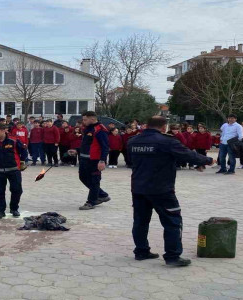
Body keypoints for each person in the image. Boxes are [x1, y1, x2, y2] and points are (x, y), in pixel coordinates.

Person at [127, 116, 214, 267]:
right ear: (163, 127)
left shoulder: (133, 141)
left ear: (147, 125)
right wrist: (208, 160)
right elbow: (188, 155)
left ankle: (141, 251)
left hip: (139, 188)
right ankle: (173, 256)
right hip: (162, 189)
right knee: (173, 221)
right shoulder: (167, 141)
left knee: (140, 221)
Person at [78, 111, 110, 210]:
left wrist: (102, 160)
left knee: (94, 181)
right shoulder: (87, 128)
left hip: (94, 160)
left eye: (85, 119)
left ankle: (91, 202)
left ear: (92, 119)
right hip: (84, 159)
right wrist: (76, 150)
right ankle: (102, 195)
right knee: (83, 177)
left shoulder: (100, 129)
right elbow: (86, 144)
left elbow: (105, 146)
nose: (83, 122)